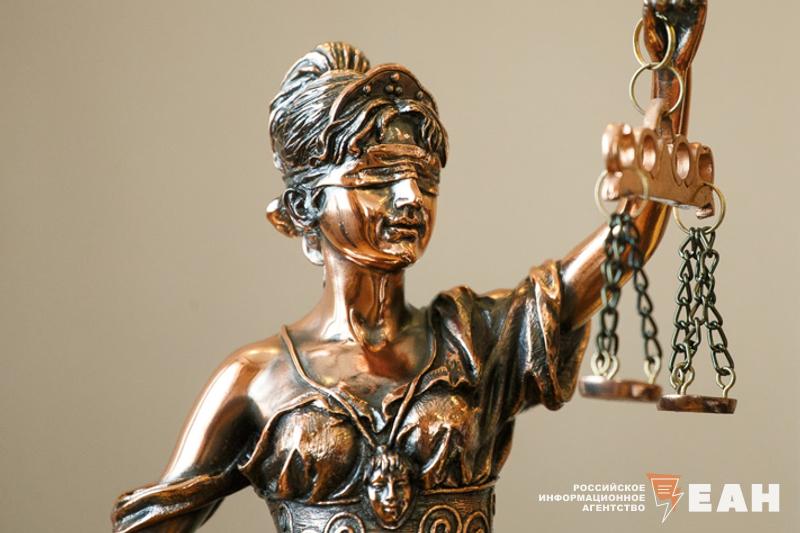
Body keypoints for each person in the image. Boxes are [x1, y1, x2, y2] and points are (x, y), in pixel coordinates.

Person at [112, 41, 669, 533]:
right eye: (378, 176)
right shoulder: (258, 380)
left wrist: (671, 75)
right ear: (305, 205)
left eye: (425, 178)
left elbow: (623, 247)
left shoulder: (474, 341)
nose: (411, 198)